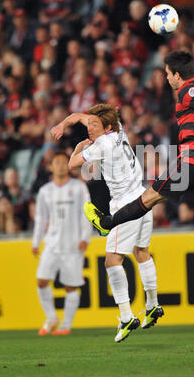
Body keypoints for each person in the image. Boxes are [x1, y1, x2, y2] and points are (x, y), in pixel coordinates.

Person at [84, 51, 194, 327]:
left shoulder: (188, 89)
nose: (167, 78)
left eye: (168, 73)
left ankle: (106, 223)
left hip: (192, 161)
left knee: (147, 198)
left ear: (177, 74)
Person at [51, 104, 164, 343]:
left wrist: (79, 148)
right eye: (89, 124)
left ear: (107, 127)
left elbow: (72, 165)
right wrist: (65, 123)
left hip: (126, 207)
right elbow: (79, 117)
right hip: (144, 198)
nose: (89, 128)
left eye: (94, 126)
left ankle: (126, 316)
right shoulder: (118, 130)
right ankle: (153, 305)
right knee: (142, 252)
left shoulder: (102, 145)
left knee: (112, 260)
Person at [32, 151, 92, 336]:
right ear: (50, 167)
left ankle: (66, 325)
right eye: (56, 162)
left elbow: (87, 213)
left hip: (73, 244)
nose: (59, 165)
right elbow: (41, 218)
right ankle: (52, 318)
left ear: (68, 165)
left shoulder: (79, 187)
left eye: (63, 162)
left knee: (70, 286)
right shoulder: (45, 191)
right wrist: (36, 241)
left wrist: (85, 237)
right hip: (51, 244)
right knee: (42, 281)